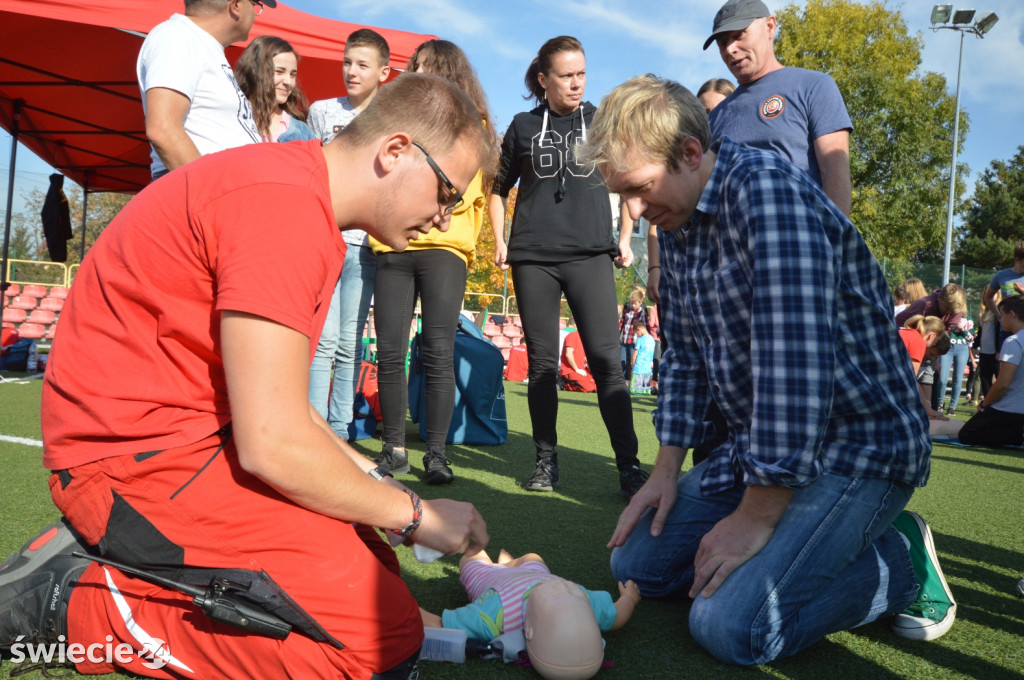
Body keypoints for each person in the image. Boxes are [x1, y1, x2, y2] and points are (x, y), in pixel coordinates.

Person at [2, 73, 493, 680]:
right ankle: (78, 600)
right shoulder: (285, 207)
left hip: (189, 443)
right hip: (133, 466)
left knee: (374, 579)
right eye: (447, 192)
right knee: (379, 643)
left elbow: (283, 409)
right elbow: (272, 443)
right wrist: (414, 514)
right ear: (395, 152)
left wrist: (380, 491)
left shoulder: (295, 192)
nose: (444, 219)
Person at [582, 74, 954, 665]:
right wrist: (665, 473)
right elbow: (682, 353)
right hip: (767, 444)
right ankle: (809, 540)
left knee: (730, 626)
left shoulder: (767, 195)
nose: (635, 211)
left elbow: (795, 367)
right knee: (639, 567)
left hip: (858, 447)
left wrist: (756, 518)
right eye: (623, 194)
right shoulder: (676, 218)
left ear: (690, 152)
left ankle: (902, 561)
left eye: (641, 188)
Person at [487, 36, 646, 498]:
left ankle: (628, 466)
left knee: (605, 362)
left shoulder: (601, 121)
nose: (576, 83)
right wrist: (499, 241)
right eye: (566, 75)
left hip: (591, 254)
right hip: (533, 255)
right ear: (543, 79)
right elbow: (497, 187)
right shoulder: (521, 126)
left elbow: (632, 177)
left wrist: (622, 238)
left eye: (581, 74)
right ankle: (545, 463)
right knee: (540, 365)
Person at [369, 39, 497, 484]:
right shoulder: (394, 117)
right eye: (413, 66)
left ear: (446, 70)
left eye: (424, 66)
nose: (416, 73)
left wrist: (432, 210)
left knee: (438, 351)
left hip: (445, 247)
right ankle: (394, 448)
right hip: (393, 246)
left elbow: (470, 187)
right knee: (389, 351)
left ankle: (437, 454)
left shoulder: (472, 122)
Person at [307, 29, 391, 440]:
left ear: (384, 72)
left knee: (347, 344)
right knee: (320, 343)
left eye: (362, 64)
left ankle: (340, 430)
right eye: (347, 62)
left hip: (365, 248)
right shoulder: (321, 112)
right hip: (323, 240)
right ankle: (314, 427)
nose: (352, 71)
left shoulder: (392, 119)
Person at [704, 0, 852, 216]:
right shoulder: (716, 117)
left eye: (739, 35)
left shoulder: (813, 86)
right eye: (722, 42)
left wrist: (837, 242)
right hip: (735, 245)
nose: (730, 49)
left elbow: (834, 167)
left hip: (801, 239)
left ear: (770, 27)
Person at [419, 545, 640, 680]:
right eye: (573, 593)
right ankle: (511, 563)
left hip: (490, 579)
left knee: (471, 555)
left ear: (529, 630)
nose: (567, 587)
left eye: (556, 597)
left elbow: (439, 625)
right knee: (533, 557)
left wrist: (395, 604)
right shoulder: (586, 604)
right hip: (536, 574)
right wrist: (629, 598)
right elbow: (617, 616)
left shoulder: (493, 616)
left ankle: (499, 564)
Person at [137, 0, 267, 180]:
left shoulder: (200, 43)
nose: (255, 13)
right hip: (198, 190)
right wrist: (209, 194)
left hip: (219, 188)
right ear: (236, 5)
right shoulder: (178, 36)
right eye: (255, 5)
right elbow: (162, 129)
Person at [958, 296, 1024, 448]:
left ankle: (1018, 435)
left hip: (1011, 409)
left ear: (1012, 314)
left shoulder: (1014, 341)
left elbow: (1002, 384)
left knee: (967, 434)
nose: (1000, 320)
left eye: (1001, 315)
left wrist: (984, 403)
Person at [234, 35, 317, 143]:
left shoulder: (303, 133)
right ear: (255, 71)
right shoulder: (229, 118)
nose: (288, 81)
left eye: (292, 75)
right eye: (279, 72)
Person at [899, 315, 960, 438]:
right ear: (932, 336)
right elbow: (910, 381)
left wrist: (928, 409)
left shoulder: (906, 333)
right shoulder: (917, 341)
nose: (930, 358)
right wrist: (927, 410)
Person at [934, 318, 973, 415]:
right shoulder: (948, 317)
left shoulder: (968, 320)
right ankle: (940, 403)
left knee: (958, 379)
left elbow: (971, 338)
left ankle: (952, 407)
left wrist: (963, 329)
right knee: (942, 378)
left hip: (962, 350)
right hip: (947, 348)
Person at [618, 286, 650, 380]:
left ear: (640, 303)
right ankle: (624, 380)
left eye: (635, 304)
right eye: (631, 303)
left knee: (633, 362)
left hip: (635, 342)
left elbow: (646, 327)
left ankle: (633, 381)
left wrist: (646, 340)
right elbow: (622, 324)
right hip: (625, 341)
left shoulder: (642, 314)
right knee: (622, 361)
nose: (633, 305)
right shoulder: (627, 312)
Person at [560, 327, 596, 393]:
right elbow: (568, 354)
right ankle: (564, 384)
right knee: (588, 389)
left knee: (595, 388)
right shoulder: (573, 335)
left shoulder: (587, 339)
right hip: (570, 370)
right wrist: (576, 369)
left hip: (582, 370)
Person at [630, 320, 655, 395]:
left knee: (633, 389)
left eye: (636, 333)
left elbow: (634, 354)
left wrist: (633, 365)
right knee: (643, 388)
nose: (637, 335)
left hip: (639, 368)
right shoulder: (652, 339)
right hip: (648, 369)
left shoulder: (640, 340)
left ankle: (651, 389)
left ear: (638, 329)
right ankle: (651, 389)